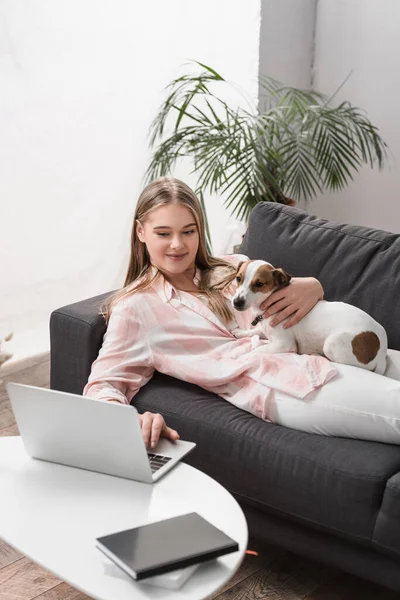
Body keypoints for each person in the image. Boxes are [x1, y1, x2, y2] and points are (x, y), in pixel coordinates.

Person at [84, 177, 400, 448]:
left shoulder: (234, 267)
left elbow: (288, 298)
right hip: (280, 384)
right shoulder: (137, 307)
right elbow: (103, 384)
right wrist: (133, 421)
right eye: (163, 233)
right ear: (141, 232)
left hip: (319, 348)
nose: (178, 245)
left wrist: (313, 286)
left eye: (189, 231)